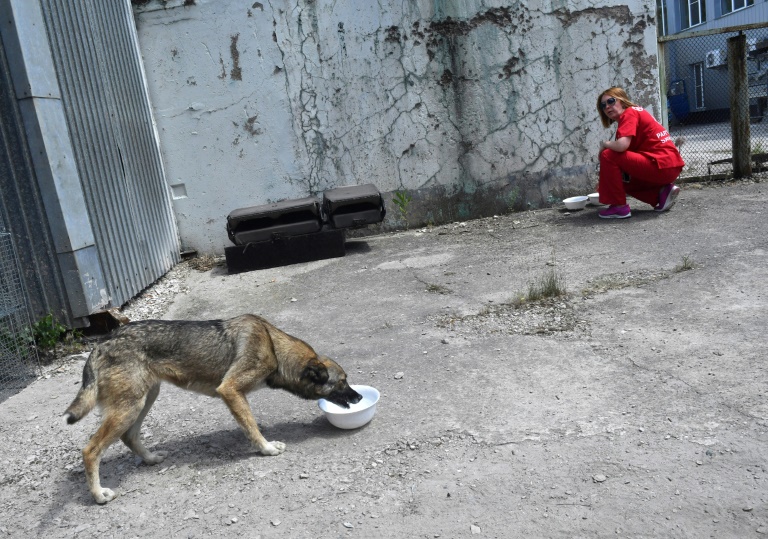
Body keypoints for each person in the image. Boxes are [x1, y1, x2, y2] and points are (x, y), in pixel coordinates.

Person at [595, 87, 685, 219]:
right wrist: (607, 180)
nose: (607, 107)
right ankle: (661, 193)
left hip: (661, 164)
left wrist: (604, 144)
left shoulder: (629, 113)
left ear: (622, 101)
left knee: (607, 154)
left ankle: (619, 207)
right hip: (667, 165)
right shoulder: (634, 113)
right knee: (622, 183)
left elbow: (621, 146)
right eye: (603, 105)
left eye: (611, 101)